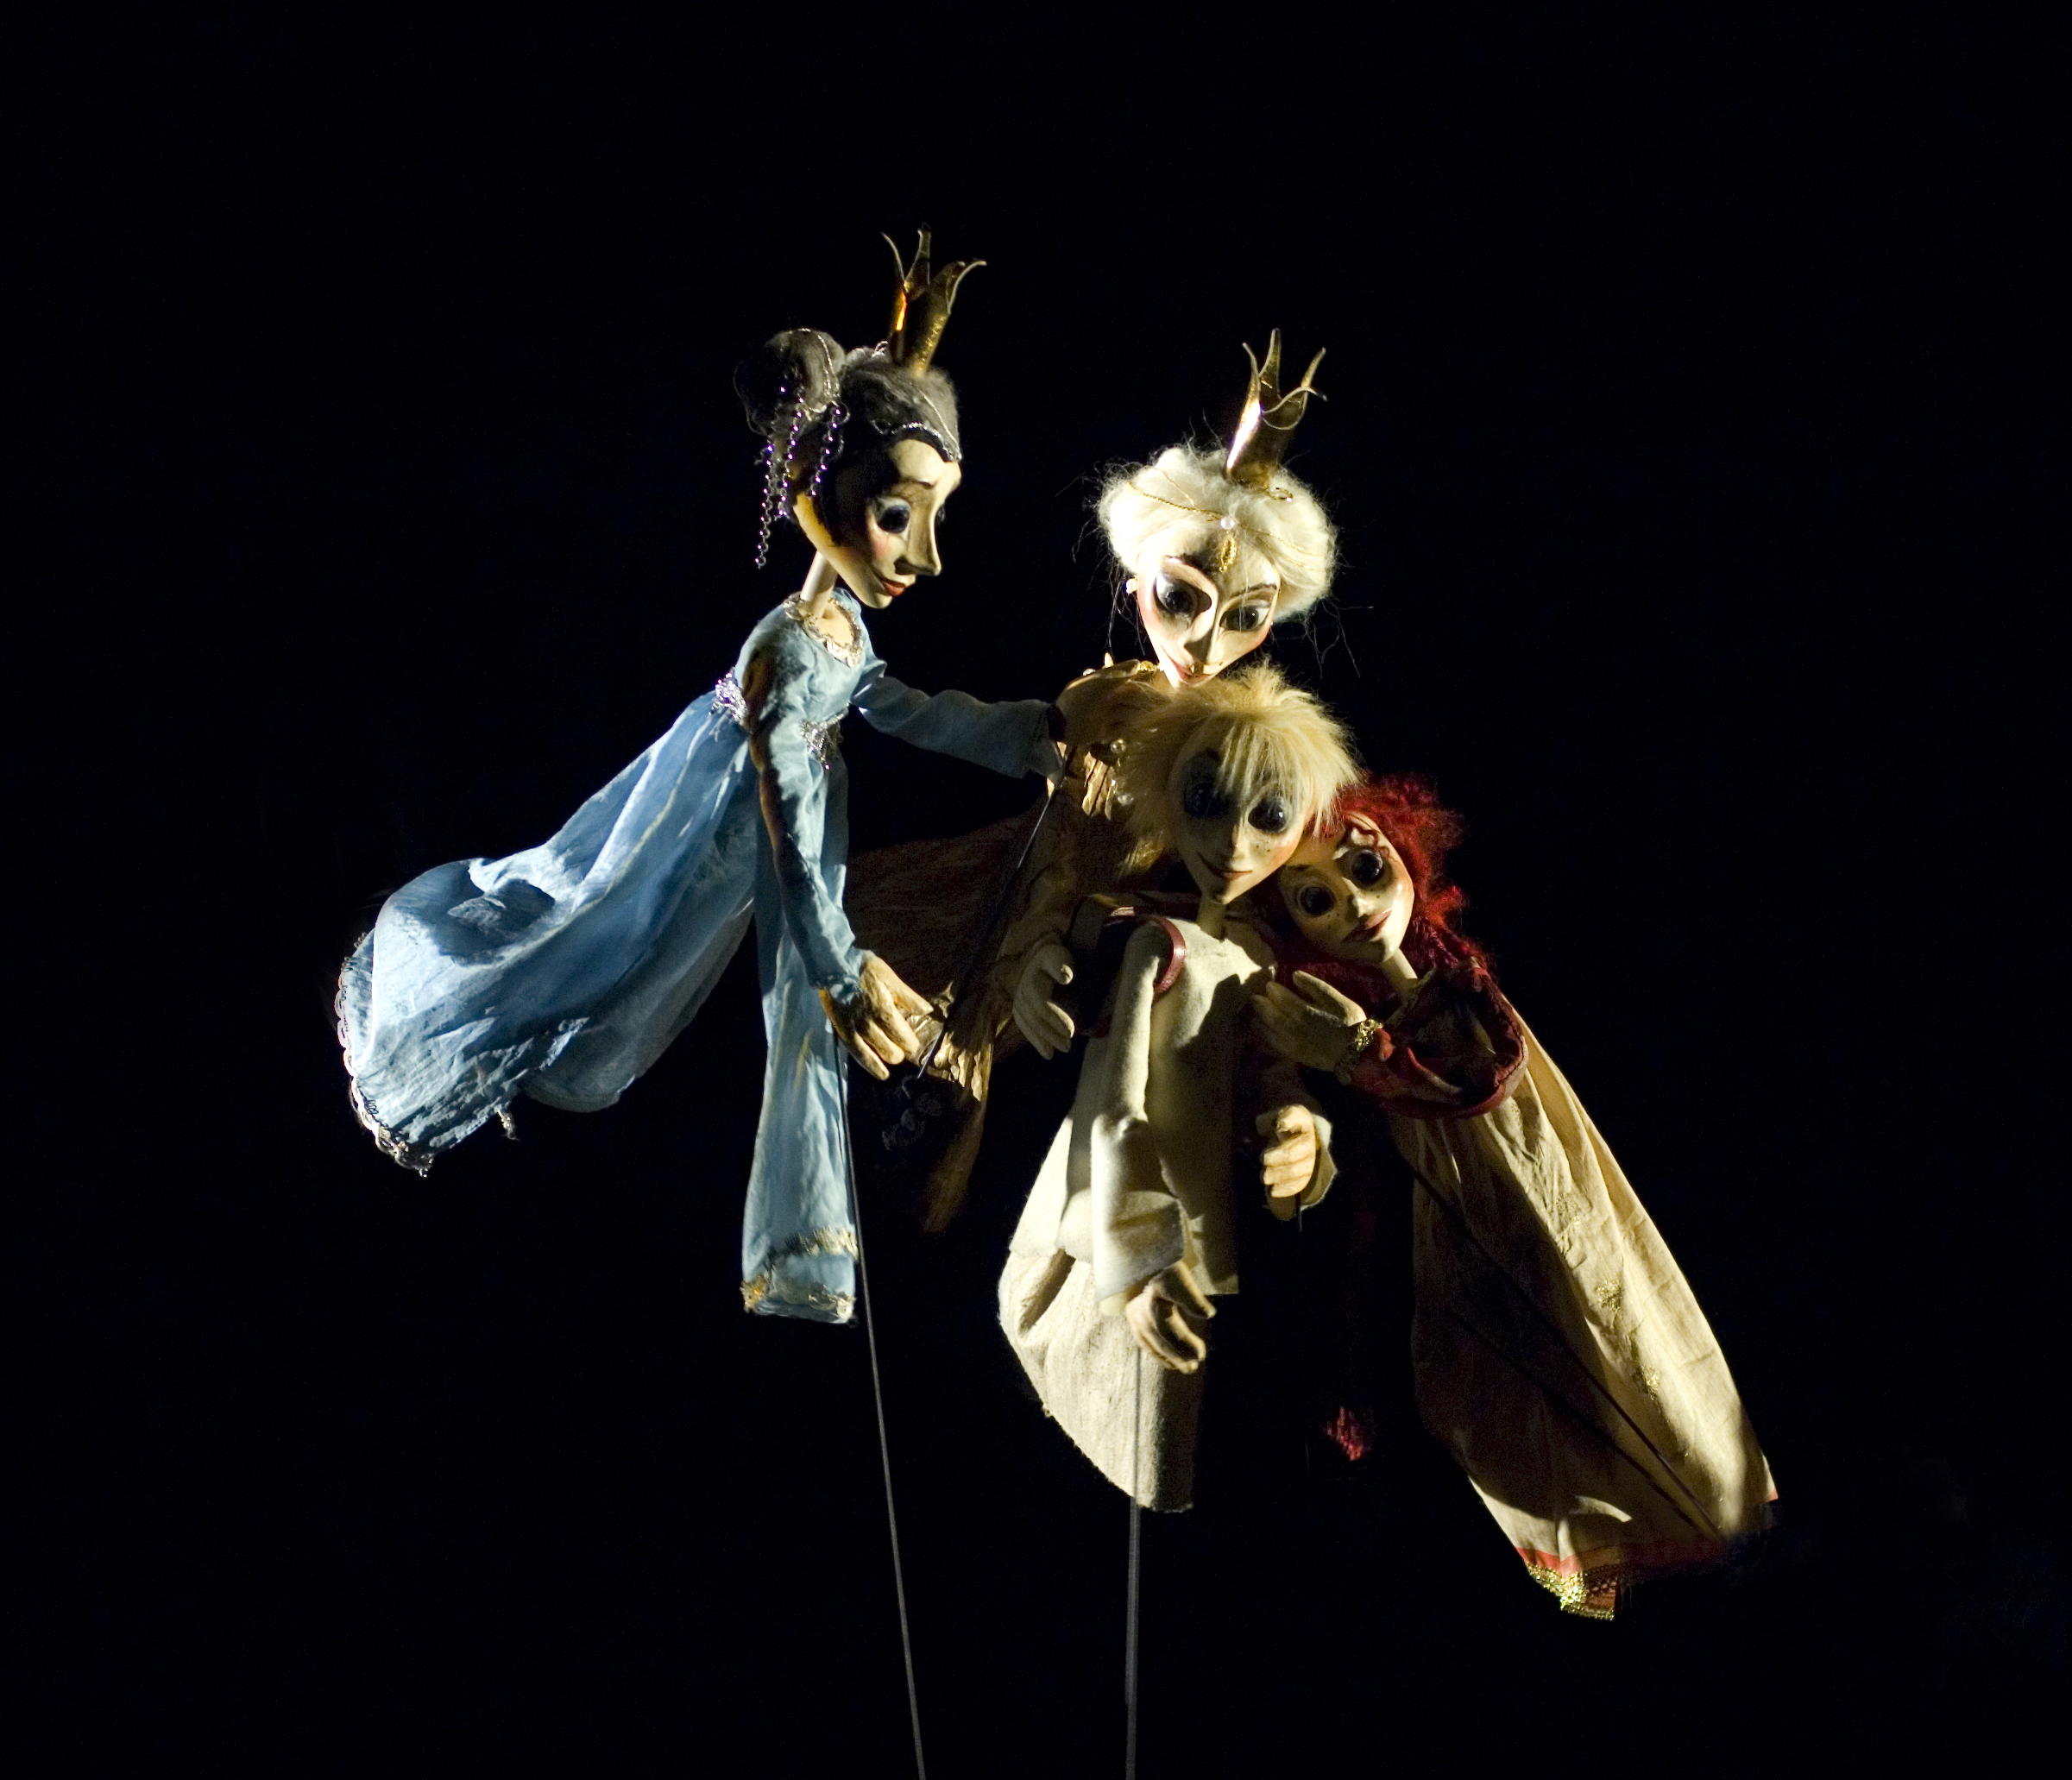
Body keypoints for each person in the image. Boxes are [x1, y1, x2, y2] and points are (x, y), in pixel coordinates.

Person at [336, 237, 1066, 1323]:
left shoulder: (841, 627)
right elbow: (785, 826)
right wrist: (838, 961)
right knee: (594, 935)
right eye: (895, 517)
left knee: (703, 984)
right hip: (709, 822)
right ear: (818, 497)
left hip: (779, 828)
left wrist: (1027, 735)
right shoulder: (784, 653)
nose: (925, 556)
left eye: (932, 518)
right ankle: (473, 1031)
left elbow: (904, 707)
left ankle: (793, 1231)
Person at [1251, 777, 1777, 1615]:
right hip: (1427, 1260)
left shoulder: (1446, 974)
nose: (1354, 902)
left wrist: (1362, 1051)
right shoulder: (1323, 996)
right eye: (1316, 898)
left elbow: (1481, 1080)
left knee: (1608, 1378)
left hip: (1522, 1225)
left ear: (1405, 856)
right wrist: (1302, 1121)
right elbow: (1296, 1096)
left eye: (1365, 868)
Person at [846, 333, 1338, 1226]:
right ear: (1135, 584)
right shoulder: (1100, 707)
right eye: (1181, 598)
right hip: (1004, 922)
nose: (1203, 641)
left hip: (1124, 987)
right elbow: (976, 730)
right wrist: (854, 678)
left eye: (1243, 616)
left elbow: (1264, 920)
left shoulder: (1243, 741)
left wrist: (1293, 1102)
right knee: (890, 1083)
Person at [997, 664, 1360, 1511]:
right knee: (1134, 1444)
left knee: (1187, 1449)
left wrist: (1302, 1133)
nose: (1234, 842)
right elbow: (1113, 1106)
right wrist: (1138, 1257)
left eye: (1269, 816)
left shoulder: (1256, 953)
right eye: (1207, 800)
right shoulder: (1154, 943)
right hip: (1124, 1219)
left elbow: (1272, 1072)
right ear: (1167, 796)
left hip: (1201, 1229)